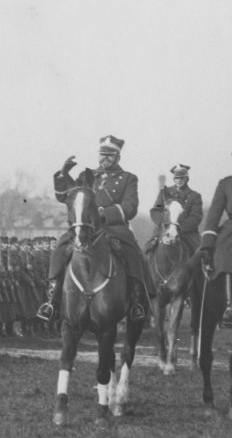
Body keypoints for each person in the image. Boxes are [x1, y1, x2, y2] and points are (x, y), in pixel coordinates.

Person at [37, 135, 153, 323]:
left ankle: (136, 301)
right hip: (85, 226)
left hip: (114, 227)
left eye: (109, 155)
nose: (104, 159)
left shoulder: (128, 178)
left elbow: (130, 207)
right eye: (102, 155)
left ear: (117, 157)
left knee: (135, 254)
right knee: (60, 249)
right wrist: (62, 175)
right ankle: (52, 299)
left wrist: (103, 213)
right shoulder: (86, 176)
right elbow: (66, 197)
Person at [199, 170, 232, 326]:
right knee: (224, 255)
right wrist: (207, 245)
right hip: (230, 232)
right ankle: (228, 307)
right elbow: (213, 216)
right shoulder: (226, 184)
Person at [147, 164, 203, 254]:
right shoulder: (165, 193)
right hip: (164, 228)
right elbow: (155, 210)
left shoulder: (195, 196)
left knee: (199, 253)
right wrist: (165, 224)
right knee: (147, 249)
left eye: (182, 178)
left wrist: (179, 227)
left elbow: (195, 217)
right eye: (177, 178)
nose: (179, 180)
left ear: (187, 179)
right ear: (174, 179)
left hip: (187, 231)